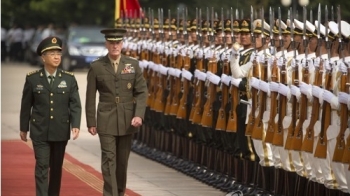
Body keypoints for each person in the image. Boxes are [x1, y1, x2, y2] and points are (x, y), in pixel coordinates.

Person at [85, 28, 148, 196]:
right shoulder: (97, 66)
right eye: (111, 43)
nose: (115, 46)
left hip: (127, 119)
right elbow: (90, 96)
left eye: (118, 43)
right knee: (108, 159)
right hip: (105, 118)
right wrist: (91, 122)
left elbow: (141, 92)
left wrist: (138, 114)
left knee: (122, 162)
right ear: (106, 44)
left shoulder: (132, 65)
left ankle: (120, 192)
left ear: (122, 44)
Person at [19, 36, 82, 196]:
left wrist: (75, 124)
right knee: (41, 165)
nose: (56, 57)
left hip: (60, 131)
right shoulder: (33, 79)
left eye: (59, 54)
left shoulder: (69, 79)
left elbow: (75, 104)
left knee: (55, 169)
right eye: (52, 53)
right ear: (43, 57)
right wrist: (23, 127)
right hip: (39, 130)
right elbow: (26, 105)